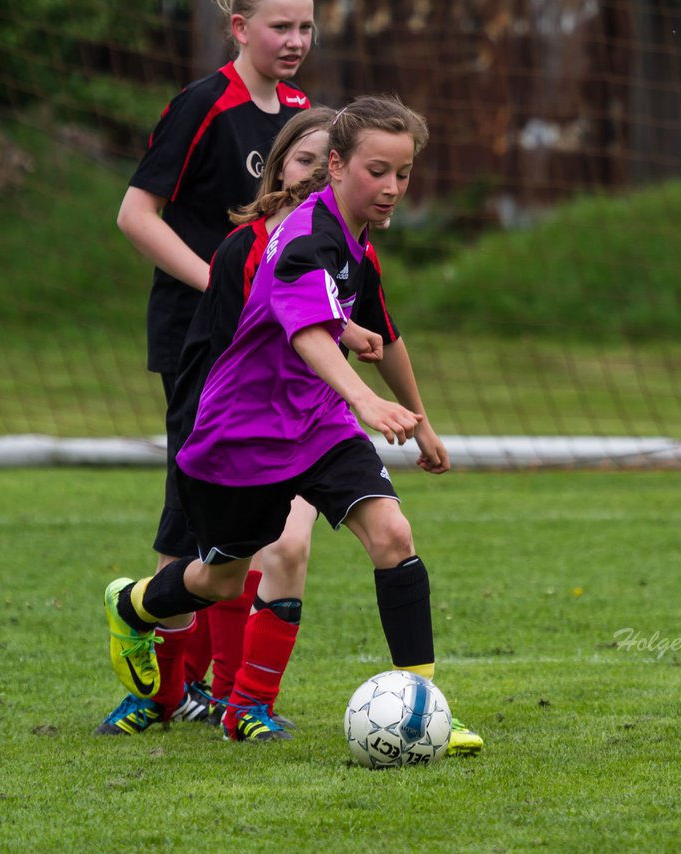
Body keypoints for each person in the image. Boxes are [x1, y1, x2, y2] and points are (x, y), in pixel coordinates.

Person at [103, 95, 485, 751]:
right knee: (218, 580)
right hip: (243, 436)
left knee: (393, 534)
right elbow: (306, 330)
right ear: (335, 166)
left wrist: (418, 422)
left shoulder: (356, 238)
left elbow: (365, 330)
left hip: (318, 423)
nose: (392, 188)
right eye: (377, 171)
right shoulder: (305, 237)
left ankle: (423, 710)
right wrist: (367, 402)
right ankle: (133, 605)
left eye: (403, 174)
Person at [98, 105, 345, 735]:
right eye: (304, 159)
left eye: (330, 162)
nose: (317, 173)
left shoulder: (347, 243)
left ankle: (245, 705)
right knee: (195, 555)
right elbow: (236, 345)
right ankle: (161, 695)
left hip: (304, 422)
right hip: (222, 422)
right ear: (279, 165)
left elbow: (347, 325)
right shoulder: (247, 246)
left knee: (286, 546)